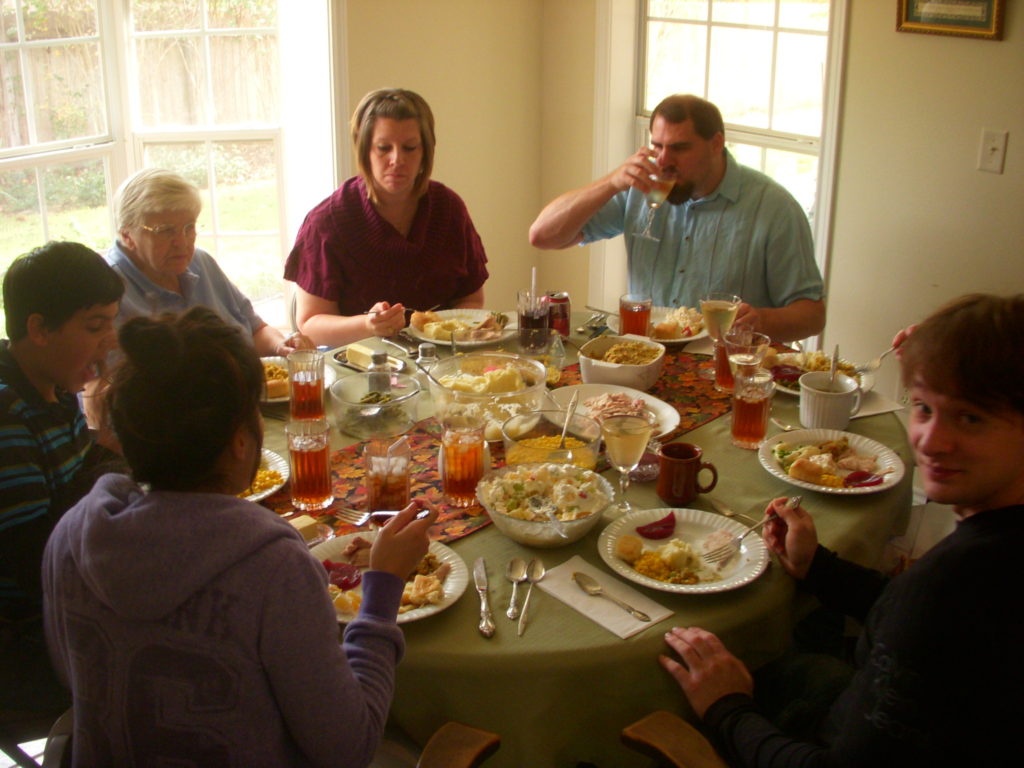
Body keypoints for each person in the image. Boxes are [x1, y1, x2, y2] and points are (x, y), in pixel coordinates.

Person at [43, 306, 438, 766]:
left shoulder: (71, 534)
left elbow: (74, 677)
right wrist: (385, 584)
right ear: (240, 441)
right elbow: (349, 747)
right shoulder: (274, 568)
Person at [659, 293, 1024, 766]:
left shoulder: (953, 583)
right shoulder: (982, 559)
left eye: (970, 418)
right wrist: (822, 570)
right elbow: (926, 631)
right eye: (925, 408)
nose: (931, 442)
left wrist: (726, 709)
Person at [529, 94, 825, 342]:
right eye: (657, 146)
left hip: (722, 366)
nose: (664, 160)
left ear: (716, 143)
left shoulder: (772, 207)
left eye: (679, 148)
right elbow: (543, 236)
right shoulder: (644, 187)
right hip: (644, 355)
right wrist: (611, 183)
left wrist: (763, 320)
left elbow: (812, 316)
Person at [0, 241, 124, 714]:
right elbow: (36, 559)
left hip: (69, 599)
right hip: (29, 637)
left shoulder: (50, 384)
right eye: (95, 326)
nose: (109, 340)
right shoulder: (8, 412)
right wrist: (109, 453)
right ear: (39, 329)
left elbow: (76, 490)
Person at [285, 88, 489, 347]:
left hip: (443, 361)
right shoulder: (326, 223)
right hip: (359, 367)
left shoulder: (449, 209)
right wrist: (368, 325)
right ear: (365, 152)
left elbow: (471, 300)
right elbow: (310, 324)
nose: (397, 160)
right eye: (383, 148)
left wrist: (446, 332)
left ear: (425, 151)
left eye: (409, 148)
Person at [107, 167, 311, 357]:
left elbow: (256, 330)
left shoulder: (200, 262)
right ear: (127, 236)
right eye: (166, 231)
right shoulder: (109, 291)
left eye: (189, 227)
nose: (182, 242)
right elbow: (102, 387)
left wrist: (280, 345)